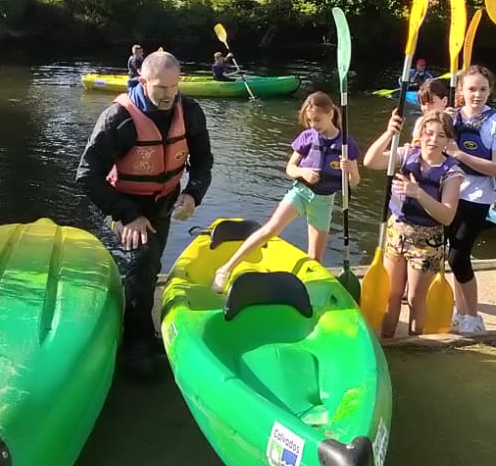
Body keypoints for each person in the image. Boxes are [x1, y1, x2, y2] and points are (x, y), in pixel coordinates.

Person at [76, 51, 213, 382]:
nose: (168, 95)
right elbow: (87, 175)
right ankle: (136, 344)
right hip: (120, 205)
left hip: (162, 203)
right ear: (141, 81)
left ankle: (141, 326)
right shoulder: (117, 119)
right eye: (160, 87)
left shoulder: (190, 112)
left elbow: (203, 160)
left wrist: (193, 193)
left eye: (174, 87)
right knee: (144, 256)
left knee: (150, 265)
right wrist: (127, 215)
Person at [211, 92, 362, 290]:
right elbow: (290, 168)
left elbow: (354, 183)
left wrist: (350, 170)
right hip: (300, 192)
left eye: (317, 119)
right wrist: (303, 172)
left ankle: (305, 291)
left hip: (324, 201)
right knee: (270, 229)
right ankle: (226, 269)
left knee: (315, 258)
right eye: (310, 120)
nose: (313, 124)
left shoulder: (346, 145)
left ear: (331, 114)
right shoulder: (307, 137)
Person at [362, 109, 463, 337]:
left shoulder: (452, 173)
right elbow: (370, 161)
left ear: (448, 141)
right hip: (396, 232)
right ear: (420, 134)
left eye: (440, 135)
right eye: (429, 133)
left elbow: (447, 216)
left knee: (416, 299)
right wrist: (389, 133)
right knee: (392, 294)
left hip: (426, 241)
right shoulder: (407, 153)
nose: (433, 140)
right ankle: (388, 339)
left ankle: (416, 344)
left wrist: (417, 193)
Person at [441, 64, 496, 335]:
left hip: (478, 196)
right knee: (452, 255)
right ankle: (460, 312)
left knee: (458, 256)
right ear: (461, 90)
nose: (477, 94)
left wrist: (459, 154)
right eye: (471, 89)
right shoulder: (451, 117)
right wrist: (441, 120)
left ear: (490, 90)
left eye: (483, 89)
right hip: (450, 191)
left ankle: (473, 315)